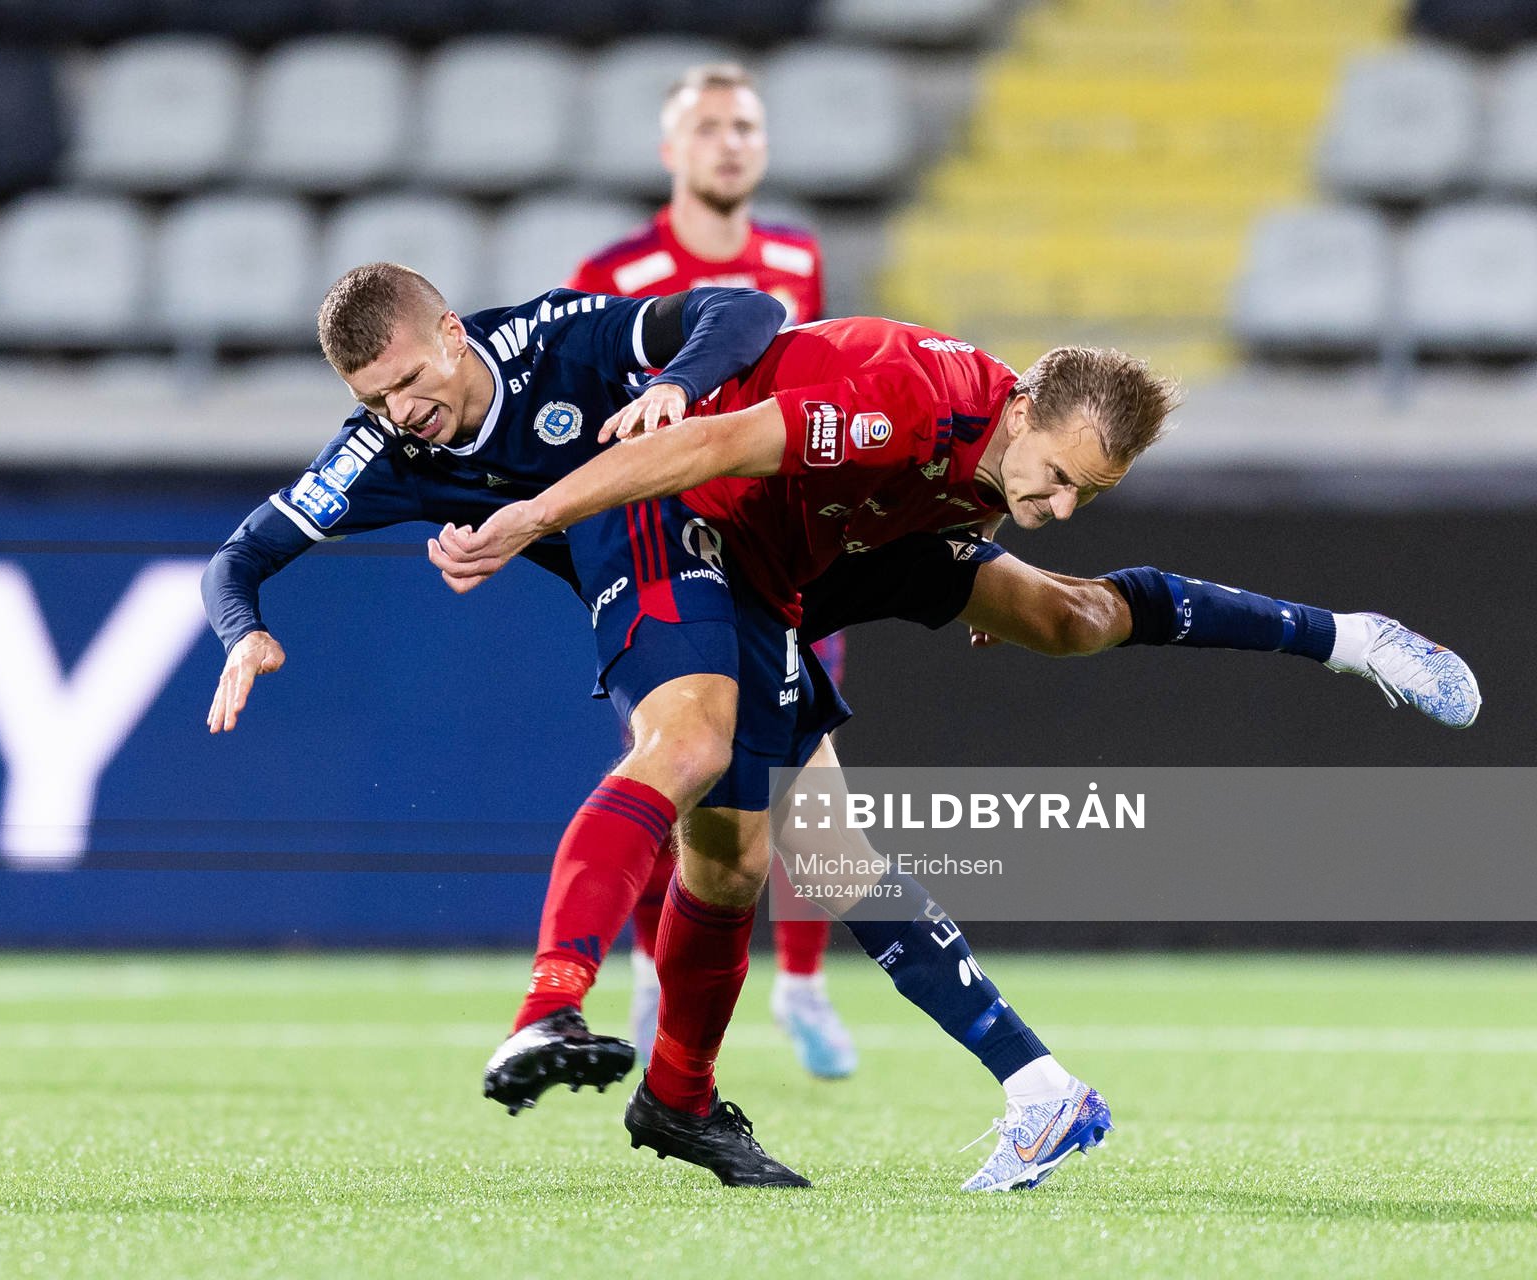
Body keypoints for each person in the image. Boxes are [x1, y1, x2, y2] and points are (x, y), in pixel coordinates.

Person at [430, 316, 1483, 1191]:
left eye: (1091, 495)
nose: (1063, 506)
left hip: (845, 543)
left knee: (1068, 618)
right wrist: (536, 514)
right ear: (1020, 407)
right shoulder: (901, 400)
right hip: (729, 538)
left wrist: (971, 547)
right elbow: (709, 448)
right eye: (1060, 476)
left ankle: (1349, 636)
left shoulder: (1004, 459)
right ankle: (986, 1087)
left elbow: (973, 516)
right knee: (782, 852)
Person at [568, 60, 851, 1079]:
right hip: (674, 547)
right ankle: (654, 971)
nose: (732, 143)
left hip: (784, 543)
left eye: (746, 126)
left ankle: (804, 983)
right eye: (712, 127)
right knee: (682, 769)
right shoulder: (618, 273)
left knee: (808, 785)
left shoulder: (796, 255)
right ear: (672, 151)